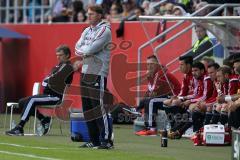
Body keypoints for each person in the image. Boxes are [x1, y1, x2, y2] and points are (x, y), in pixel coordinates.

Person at [6, 45, 74, 136]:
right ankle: (44, 119)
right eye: (57, 55)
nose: (58, 57)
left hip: (56, 97)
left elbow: (52, 80)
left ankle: (20, 127)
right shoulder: (58, 66)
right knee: (22, 101)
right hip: (47, 95)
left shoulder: (68, 67)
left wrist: (49, 80)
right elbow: (48, 79)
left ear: (67, 55)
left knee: (32, 100)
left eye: (60, 55)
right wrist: (48, 80)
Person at [74, 5, 113, 149]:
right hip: (85, 72)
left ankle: (106, 140)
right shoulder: (86, 30)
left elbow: (90, 49)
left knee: (98, 107)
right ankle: (94, 140)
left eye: (91, 14)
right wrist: (85, 51)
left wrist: (85, 50)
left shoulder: (105, 30)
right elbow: (77, 48)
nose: (88, 16)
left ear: (99, 15)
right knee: (88, 108)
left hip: (97, 72)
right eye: (87, 14)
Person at [135, 55, 181, 136]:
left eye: (152, 64)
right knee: (146, 100)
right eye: (148, 64)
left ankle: (152, 129)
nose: (149, 66)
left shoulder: (161, 73)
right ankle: (137, 112)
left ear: (157, 64)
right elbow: (149, 91)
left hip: (172, 98)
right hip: (164, 98)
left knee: (151, 101)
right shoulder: (153, 74)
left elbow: (154, 93)